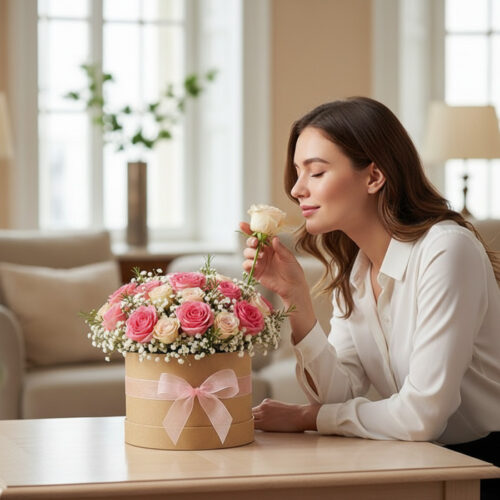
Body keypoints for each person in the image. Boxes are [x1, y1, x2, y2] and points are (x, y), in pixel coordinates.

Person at [240, 97, 500, 499]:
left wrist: (309, 418)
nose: (296, 189)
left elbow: (423, 415)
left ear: (374, 176)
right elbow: (341, 394)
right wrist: (296, 300)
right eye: (296, 173)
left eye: (317, 172)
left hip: (484, 466)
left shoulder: (447, 250)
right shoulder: (358, 268)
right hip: (423, 461)